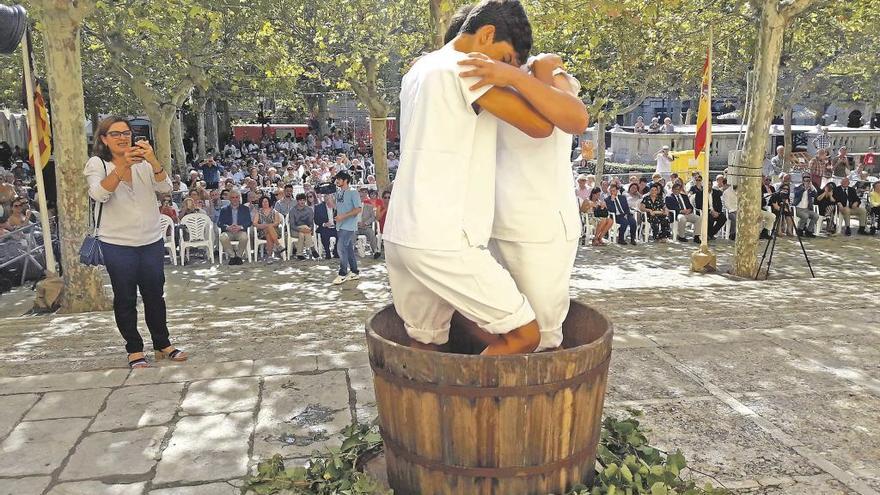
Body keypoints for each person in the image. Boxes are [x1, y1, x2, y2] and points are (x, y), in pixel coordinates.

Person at [384, 0, 558, 355]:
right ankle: (468, 408)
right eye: (506, 58)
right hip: (444, 238)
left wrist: (509, 71)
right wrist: (524, 77)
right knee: (524, 336)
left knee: (425, 341)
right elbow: (541, 126)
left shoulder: (419, 69)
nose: (502, 70)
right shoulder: (466, 68)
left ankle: (427, 411)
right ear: (487, 35)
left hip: (402, 232)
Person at [83, 116, 186, 369]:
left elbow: (165, 187)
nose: (122, 137)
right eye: (115, 133)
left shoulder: (143, 163)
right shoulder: (97, 163)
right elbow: (98, 194)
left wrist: (151, 159)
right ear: (104, 139)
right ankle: (134, 349)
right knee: (126, 298)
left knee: (155, 295)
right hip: (116, 243)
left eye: (126, 133)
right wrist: (121, 168)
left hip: (150, 239)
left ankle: (163, 344)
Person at [331, 171, 362, 284]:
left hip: (349, 225)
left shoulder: (353, 192)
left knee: (340, 247)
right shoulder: (339, 192)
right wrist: (328, 198)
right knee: (348, 249)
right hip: (340, 225)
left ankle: (342, 273)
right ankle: (354, 272)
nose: (337, 181)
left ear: (346, 180)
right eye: (337, 179)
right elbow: (336, 206)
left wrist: (343, 216)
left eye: (339, 179)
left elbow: (358, 209)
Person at [217, 190, 252, 264]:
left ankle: (239, 256)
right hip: (228, 231)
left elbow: (249, 222)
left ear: (239, 198)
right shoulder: (224, 209)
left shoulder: (245, 209)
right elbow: (219, 223)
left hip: (240, 231)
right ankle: (232, 256)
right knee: (222, 237)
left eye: (237, 197)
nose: (235, 199)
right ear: (229, 199)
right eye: (233, 197)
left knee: (244, 237)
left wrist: (240, 227)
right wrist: (227, 227)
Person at [253, 196, 284, 260]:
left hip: (275, 231)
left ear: (269, 202)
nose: (265, 203)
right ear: (261, 203)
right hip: (262, 232)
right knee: (268, 232)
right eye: (263, 202)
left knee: (269, 231)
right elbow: (255, 223)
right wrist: (263, 226)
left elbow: (277, 223)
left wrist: (268, 225)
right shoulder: (258, 212)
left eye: (266, 201)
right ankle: (278, 245)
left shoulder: (275, 212)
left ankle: (269, 256)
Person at [289, 193, 318, 260]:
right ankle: (312, 248)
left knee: (302, 234)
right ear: (297, 201)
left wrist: (310, 229)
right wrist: (302, 229)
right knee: (303, 228)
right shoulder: (292, 210)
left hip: (307, 230)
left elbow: (311, 223)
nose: (302, 202)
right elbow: (292, 225)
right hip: (295, 230)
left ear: (305, 200)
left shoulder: (309, 210)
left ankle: (299, 254)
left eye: (303, 200)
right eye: (300, 200)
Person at [357, 188, 381, 259]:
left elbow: (373, 217)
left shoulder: (369, 206)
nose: (361, 198)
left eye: (362, 196)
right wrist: (357, 224)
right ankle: (350, 252)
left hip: (365, 227)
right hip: (355, 227)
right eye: (359, 196)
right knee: (351, 234)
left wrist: (365, 223)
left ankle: (375, 251)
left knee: (371, 233)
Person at [314, 193, 338, 259]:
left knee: (341, 234)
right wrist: (324, 224)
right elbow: (316, 220)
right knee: (324, 235)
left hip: (336, 227)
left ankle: (336, 252)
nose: (330, 202)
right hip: (325, 227)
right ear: (325, 200)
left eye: (331, 200)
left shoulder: (338, 206)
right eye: (327, 200)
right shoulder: (319, 207)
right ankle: (327, 252)